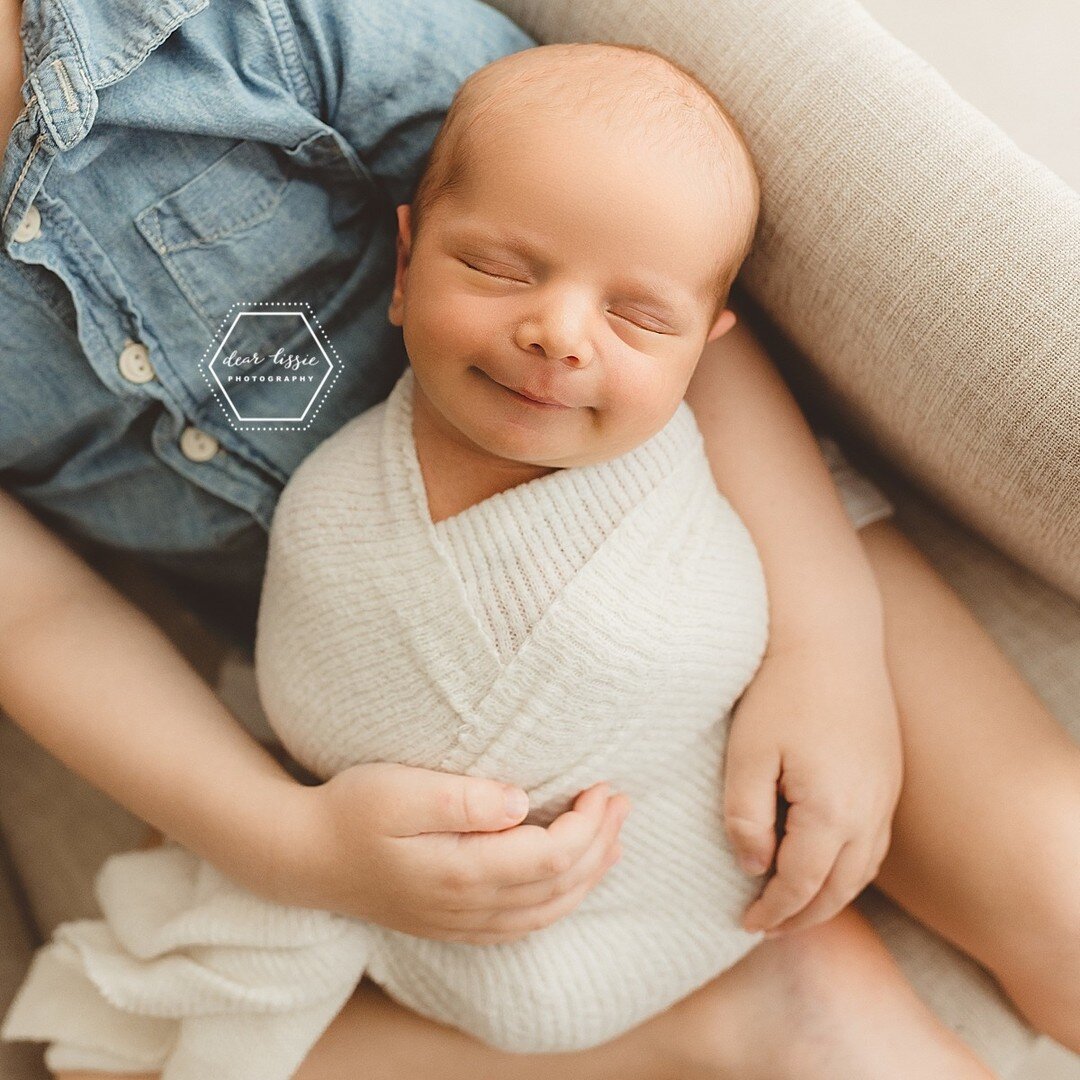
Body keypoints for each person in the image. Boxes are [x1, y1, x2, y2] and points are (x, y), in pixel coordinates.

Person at [0, 4, 1076, 1080]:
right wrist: (288, 846)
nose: (551, 326)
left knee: (1058, 898)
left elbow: (641, 250)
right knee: (127, 1048)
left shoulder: (253, 31)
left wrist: (826, 641)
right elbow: (32, 611)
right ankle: (723, 1009)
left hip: (720, 521)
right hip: (373, 688)